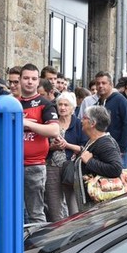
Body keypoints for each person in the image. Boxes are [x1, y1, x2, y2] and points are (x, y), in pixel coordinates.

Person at [18, 64, 59, 224]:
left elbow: (54, 130)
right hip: (13, 166)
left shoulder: (45, 103)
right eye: (26, 78)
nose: (29, 82)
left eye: (33, 79)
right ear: (20, 80)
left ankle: (38, 248)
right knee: (15, 211)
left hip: (34, 166)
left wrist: (27, 124)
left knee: (35, 213)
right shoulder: (13, 103)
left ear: (38, 82)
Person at [45, 91, 84, 220]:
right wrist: (53, 147)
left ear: (72, 108)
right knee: (54, 203)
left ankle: (75, 231)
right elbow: (43, 146)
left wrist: (67, 145)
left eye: (66, 105)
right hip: (52, 165)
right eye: (60, 104)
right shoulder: (51, 123)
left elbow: (84, 148)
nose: (62, 108)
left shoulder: (78, 124)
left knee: (73, 203)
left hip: (71, 166)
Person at [93, 71, 127, 167]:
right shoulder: (97, 104)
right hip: (101, 150)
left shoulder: (121, 101)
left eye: (104, 83)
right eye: (98, 83)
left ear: (111, 84)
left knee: (120, 181)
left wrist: (121, 148)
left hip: (119, 151)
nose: (100, 86)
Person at [76, 105, 123, 184]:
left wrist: (90, 161)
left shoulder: (105, 143)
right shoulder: (94, 140)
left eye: (84, 118)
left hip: (103, 194)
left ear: (93, 123)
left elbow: (116, 169)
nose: (81, 121)